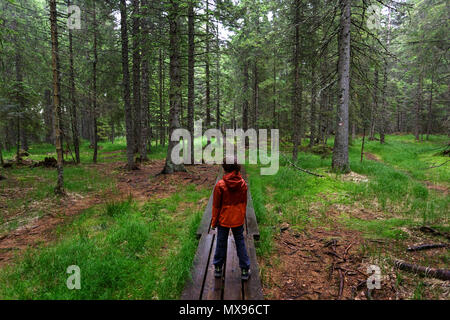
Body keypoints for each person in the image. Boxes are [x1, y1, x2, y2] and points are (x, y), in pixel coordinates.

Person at [211, 156, 251, 280]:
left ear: (224, 168)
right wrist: (241, 217)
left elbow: (216, 206)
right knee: (240, 243)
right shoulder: (243, 184)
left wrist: (214, 222)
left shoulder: (220, 185)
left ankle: (218, 268)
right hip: (238, 219)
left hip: (223, 219)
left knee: (221, 242)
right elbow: (244, 203)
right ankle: (245, 269)